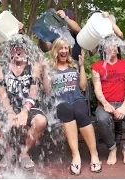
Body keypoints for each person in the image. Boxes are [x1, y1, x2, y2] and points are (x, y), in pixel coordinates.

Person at [0, 34, 48, 171]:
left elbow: (34, 91)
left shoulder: (34, 66)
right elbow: (1, 94)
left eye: (21, 47)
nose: (18, 51)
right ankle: (8, 151)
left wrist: (25, 111)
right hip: (8, 106)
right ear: (9, 50)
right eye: (14, 48)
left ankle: (25, 153)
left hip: (29, 105)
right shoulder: (0, 66)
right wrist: (9, 112)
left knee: (41, 121)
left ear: (27, 49)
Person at [50, 38, 101, 175]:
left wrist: (83, 66)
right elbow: (47, 90)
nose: (64, 51)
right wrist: (44, 72)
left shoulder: (75, 65)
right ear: (56, 50)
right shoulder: (50, 68)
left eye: (66, 48)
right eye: (61, 48)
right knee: (67, 109)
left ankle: (94, 154)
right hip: (61, 103)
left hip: (77, 99)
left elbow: (83, 87)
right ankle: (76, 155)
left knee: (80, 112)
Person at [91, 36, 125, 166]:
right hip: (105, 104)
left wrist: (124, 106)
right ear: (104, 48)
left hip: (122, 103)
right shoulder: (97, 66)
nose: (113, 47)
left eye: (115, 45)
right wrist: (105, 104)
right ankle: (112, 148)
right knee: (102, 120)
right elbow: (97, 89)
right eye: (110, 45)